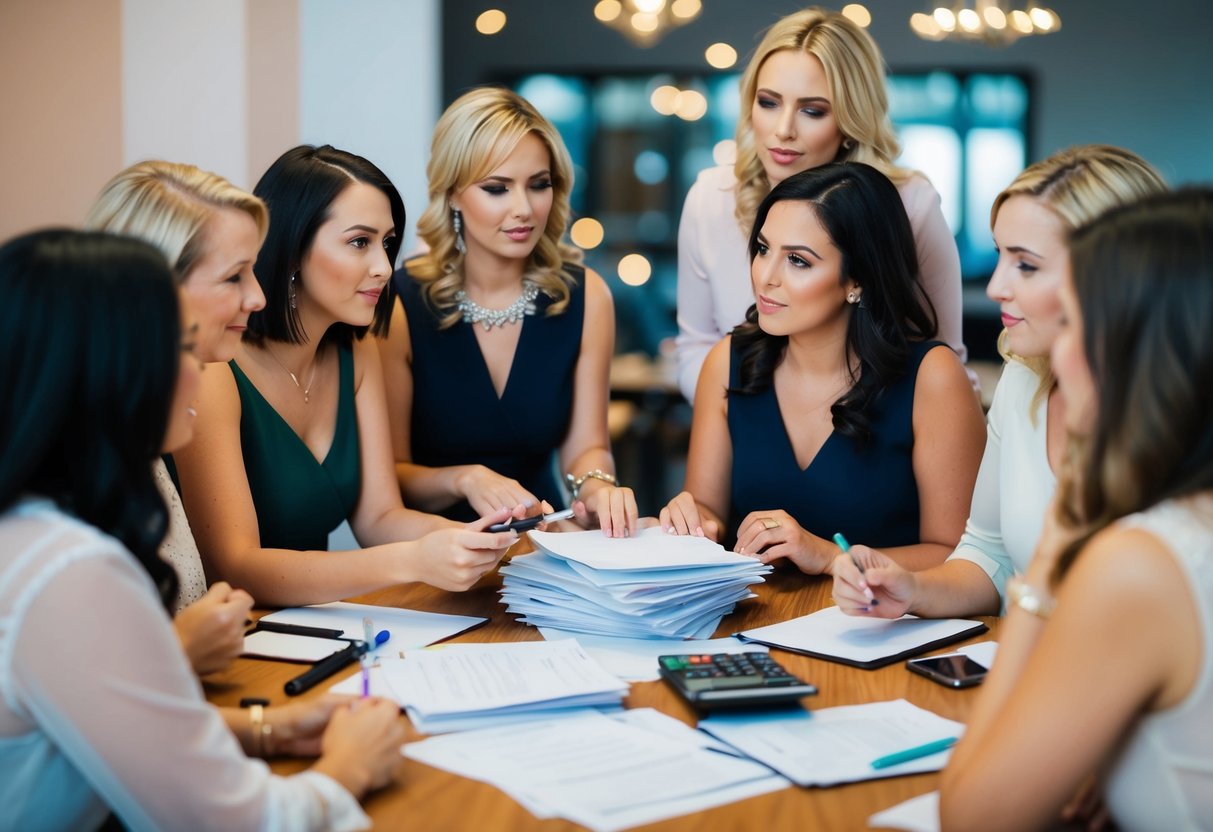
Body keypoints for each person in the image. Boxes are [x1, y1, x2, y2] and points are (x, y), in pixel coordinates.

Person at [0, 229, 405, 830]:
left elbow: (109, 714)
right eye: (185, 351)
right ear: (113, 371)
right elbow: (235, 823)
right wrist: (350, 765)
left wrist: (268, 729)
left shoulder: (37, 527)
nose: (206, 371)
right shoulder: (74, 574)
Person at [940, 189, 1213, 831]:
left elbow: (975, 819)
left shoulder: (1144, 564)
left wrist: (1043, 573)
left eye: (1075, 324)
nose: (1057, 354)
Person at [173, 145, 517, 608]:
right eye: (360, 242)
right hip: (236, 634)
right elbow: (234, 567)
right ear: (293, 249)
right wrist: (414, 560)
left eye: (388, 243)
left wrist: (483, 540)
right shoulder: (216, 368)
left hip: (312, 626)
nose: (383, 266)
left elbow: (378, 516)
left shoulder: (357, 350)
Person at [832, 145, 1167, 617]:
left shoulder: (1183, 419)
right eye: (1000, 256)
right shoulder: (1024, 382)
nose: (995, 288)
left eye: (1026, 265)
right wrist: (912, 590)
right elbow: (990, 554)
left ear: (1114, 274)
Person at [660, 163, 985, 574]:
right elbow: (708, 510)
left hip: (885, 630)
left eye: (797, 260)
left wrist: (830, 557)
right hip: (750, 624)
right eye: (763, 249)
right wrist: (692, 518)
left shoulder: (932, 377)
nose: (766, 277)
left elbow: (961, 558)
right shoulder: (727, 361)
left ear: (858, 280)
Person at [675, 6, 969, 403]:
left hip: (872, 439)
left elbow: (945, 361)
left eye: (812, 111)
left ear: (851, 120)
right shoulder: (712, 198)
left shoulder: (910, 204)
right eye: (768, 102)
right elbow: (694, 348)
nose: (783, 130)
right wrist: (756, 422)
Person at [379, 87, 638, 536]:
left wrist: (598, 490)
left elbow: (587, 447)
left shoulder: (585, 296)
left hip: (544, 547)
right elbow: (392, 473)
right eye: (497, 188)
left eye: (539, 185)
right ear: (452, 194)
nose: (524, 209)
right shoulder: (400, 302)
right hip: (434, 551)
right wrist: (466, 478)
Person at [85, 159, 269, 674]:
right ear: (153, 289)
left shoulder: (140, 429)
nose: (258, 297)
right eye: (234, 276)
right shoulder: (79, 457)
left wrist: (268, 729)